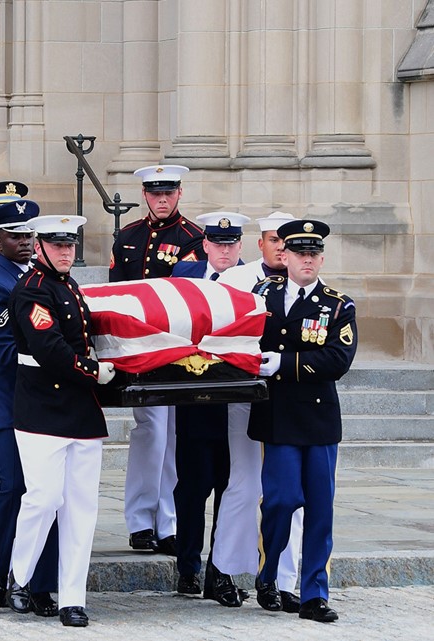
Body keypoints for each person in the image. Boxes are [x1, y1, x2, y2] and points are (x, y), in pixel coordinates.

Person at [8, 214, 114, 628]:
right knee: (43, 498)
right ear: (40, 247)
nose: (66, 252)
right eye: (58, 246)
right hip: (42, 409)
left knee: (82, 508)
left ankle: (73, 597)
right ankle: (19, 578)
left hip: (81, 411)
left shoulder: (69, 286)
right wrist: (95, 372)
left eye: (70, 246)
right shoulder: (31, 291)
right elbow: (49, 348)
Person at [249, 219, 357, 623]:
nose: (307, 260)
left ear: (321, 259)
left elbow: (337, 360)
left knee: (319, 508)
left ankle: (313, 594)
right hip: (276, 416)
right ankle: (269, 572)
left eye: (314, 254)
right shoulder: (264, 296)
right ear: (286, 257)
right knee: (280, 500)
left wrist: (285, 363)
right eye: (299, 253)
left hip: (317, 418)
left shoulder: (338, 305)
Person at [110, 164, 206, 555]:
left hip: (179, 348)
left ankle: (167, 523)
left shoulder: (194, 238)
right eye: (154, 193)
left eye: (168, 193)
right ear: (146, 195)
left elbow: (194, 296)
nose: (161, 200)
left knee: (173, 439)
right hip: (140, 350)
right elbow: (118, 295)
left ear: (180, 193)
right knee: (150, 436)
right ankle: (140, 521)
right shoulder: (128, 236)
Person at [0, 191, 58, 612]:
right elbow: (2, 352)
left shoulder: (44, 279)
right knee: (13, 489)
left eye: (30, 234)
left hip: (41, 403)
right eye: (14, 235)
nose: (24, 241)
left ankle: (39, 583)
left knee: (44, 492)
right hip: (7, 402)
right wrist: (52, 353)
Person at [216, 210, 306, 611]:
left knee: (289, 492)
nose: (282, 248)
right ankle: (225, 569)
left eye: (289, 243)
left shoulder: (304, 285)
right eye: (275, 240)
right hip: (245, 395)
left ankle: (282, 578)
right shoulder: (236, 279)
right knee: (245, 484)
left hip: (289, 397)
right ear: (262, 243)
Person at [169, 212, 251, 606]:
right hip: (195, 398)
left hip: (238, 403)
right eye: (218, 244)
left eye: (231, 244)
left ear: (240, 246)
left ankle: (220, 572)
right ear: (205, 246)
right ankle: (188, 566)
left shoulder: (253, 283)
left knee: (231, 490)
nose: (225, 251)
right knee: (192, 489)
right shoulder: (184, 276)